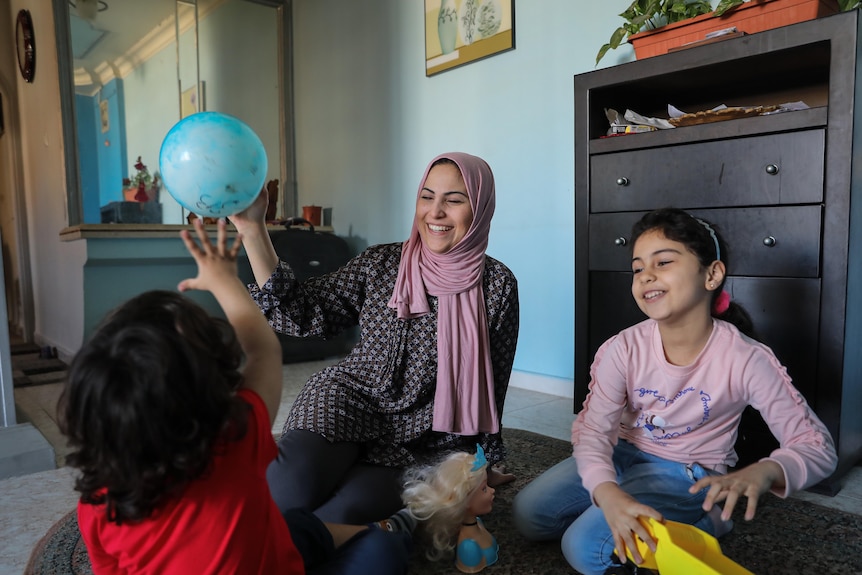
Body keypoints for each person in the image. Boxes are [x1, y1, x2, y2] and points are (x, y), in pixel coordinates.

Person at [58, 218, 411, 575]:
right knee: (382, 552)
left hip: (264, 540)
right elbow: (263, 349)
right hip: (274, 561)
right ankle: (388, 532)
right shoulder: (233, 444)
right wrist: (224, 279)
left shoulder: (96, 505)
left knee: (296, 525)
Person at [511, 208, 837, 575]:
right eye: (637, 268)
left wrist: (766, 471)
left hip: (687, 474)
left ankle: (708, 520)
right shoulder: (623, 347)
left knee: (585, 548)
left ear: (711, 274)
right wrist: (607, 492)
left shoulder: (747, 359)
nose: (646, 276)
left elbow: (817, 447)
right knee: (529, 517)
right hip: (622, 452)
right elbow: (593, 432)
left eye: (663, 261)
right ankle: (635, 510)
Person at [229, 152, 520, 524]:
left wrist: (483, 463)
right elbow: (300, 314)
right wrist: (253, 229)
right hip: (347, 401)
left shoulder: (498, 286)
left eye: (454, 199)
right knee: (287, 495)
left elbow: (491, 386)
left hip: (422, 440)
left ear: (480, 208)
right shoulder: (381, 263)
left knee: (339, 517)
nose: (435, 212)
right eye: (427, 196)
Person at [399, 444, 498, 573]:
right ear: (465, 500)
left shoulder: (478, 522)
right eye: (484, 489)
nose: (493, 490)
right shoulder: (468, 546)